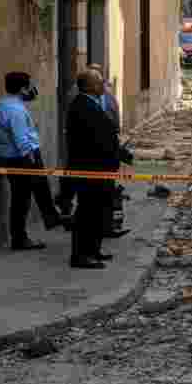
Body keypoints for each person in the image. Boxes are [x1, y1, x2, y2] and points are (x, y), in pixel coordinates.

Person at [0, 71, 67, 249]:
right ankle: (20, 238)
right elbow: (21, 139)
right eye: (30, 87)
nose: (33, 90)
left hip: (15, 156)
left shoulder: (4, 104)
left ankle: (51, 218)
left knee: (39, 188)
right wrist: (30, 158)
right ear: (22, 89)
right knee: (22, 198)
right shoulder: (14, 110)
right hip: (21, 158)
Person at [66, 68, 129, 269]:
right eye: (100, 81)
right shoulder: (82, 106)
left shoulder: (91, 103)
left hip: (100, 169)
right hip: (90, 169)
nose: (103, 84)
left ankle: (93, 250)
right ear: (89, 85)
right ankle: (81, 255)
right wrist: (115, 152)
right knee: (87, 212)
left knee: (98, 211)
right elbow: (95, 140)